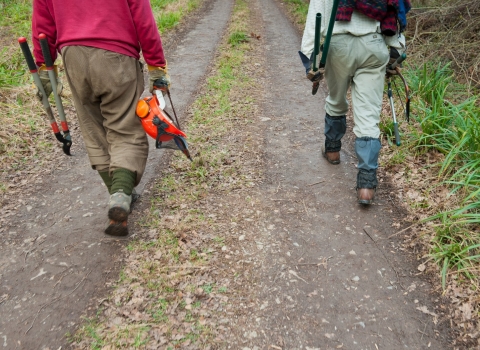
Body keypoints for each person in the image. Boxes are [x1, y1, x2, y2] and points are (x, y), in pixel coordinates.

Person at [32, 0, 170, 235]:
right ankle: (120, 195)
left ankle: (119, 193)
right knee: (124, 127)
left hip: (73, 56)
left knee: (94, 130)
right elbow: (143, 18)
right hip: (116, 54)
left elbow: (43, 25)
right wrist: (156, 65)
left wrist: (44, 68)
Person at [299, 0, 410, 205]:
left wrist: (310, 60)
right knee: (368, 116)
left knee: (336, 98)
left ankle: (332, 150)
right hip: (374, 45)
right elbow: (396, 12)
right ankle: (366, 185)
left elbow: (317, 13)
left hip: (338, 44)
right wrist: (396, 48)